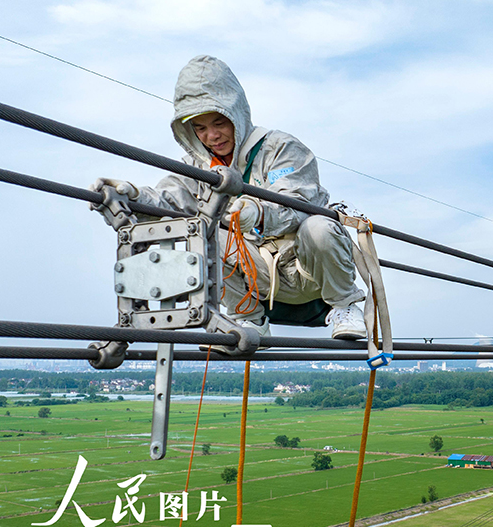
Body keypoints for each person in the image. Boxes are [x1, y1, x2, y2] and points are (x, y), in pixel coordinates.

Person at [91, 55, 366, 340]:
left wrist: (257, 212)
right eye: (199, 128)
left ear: (237, 114)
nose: (212, 136)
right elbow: (167, 200)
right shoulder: (198, 169)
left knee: (319, 227)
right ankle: (249, 321)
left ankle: (344, 306)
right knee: (201, 233)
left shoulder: (281, 148)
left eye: (219, 122)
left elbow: (298, 200)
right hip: (257, 278)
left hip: (307, 267)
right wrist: (131, 195)